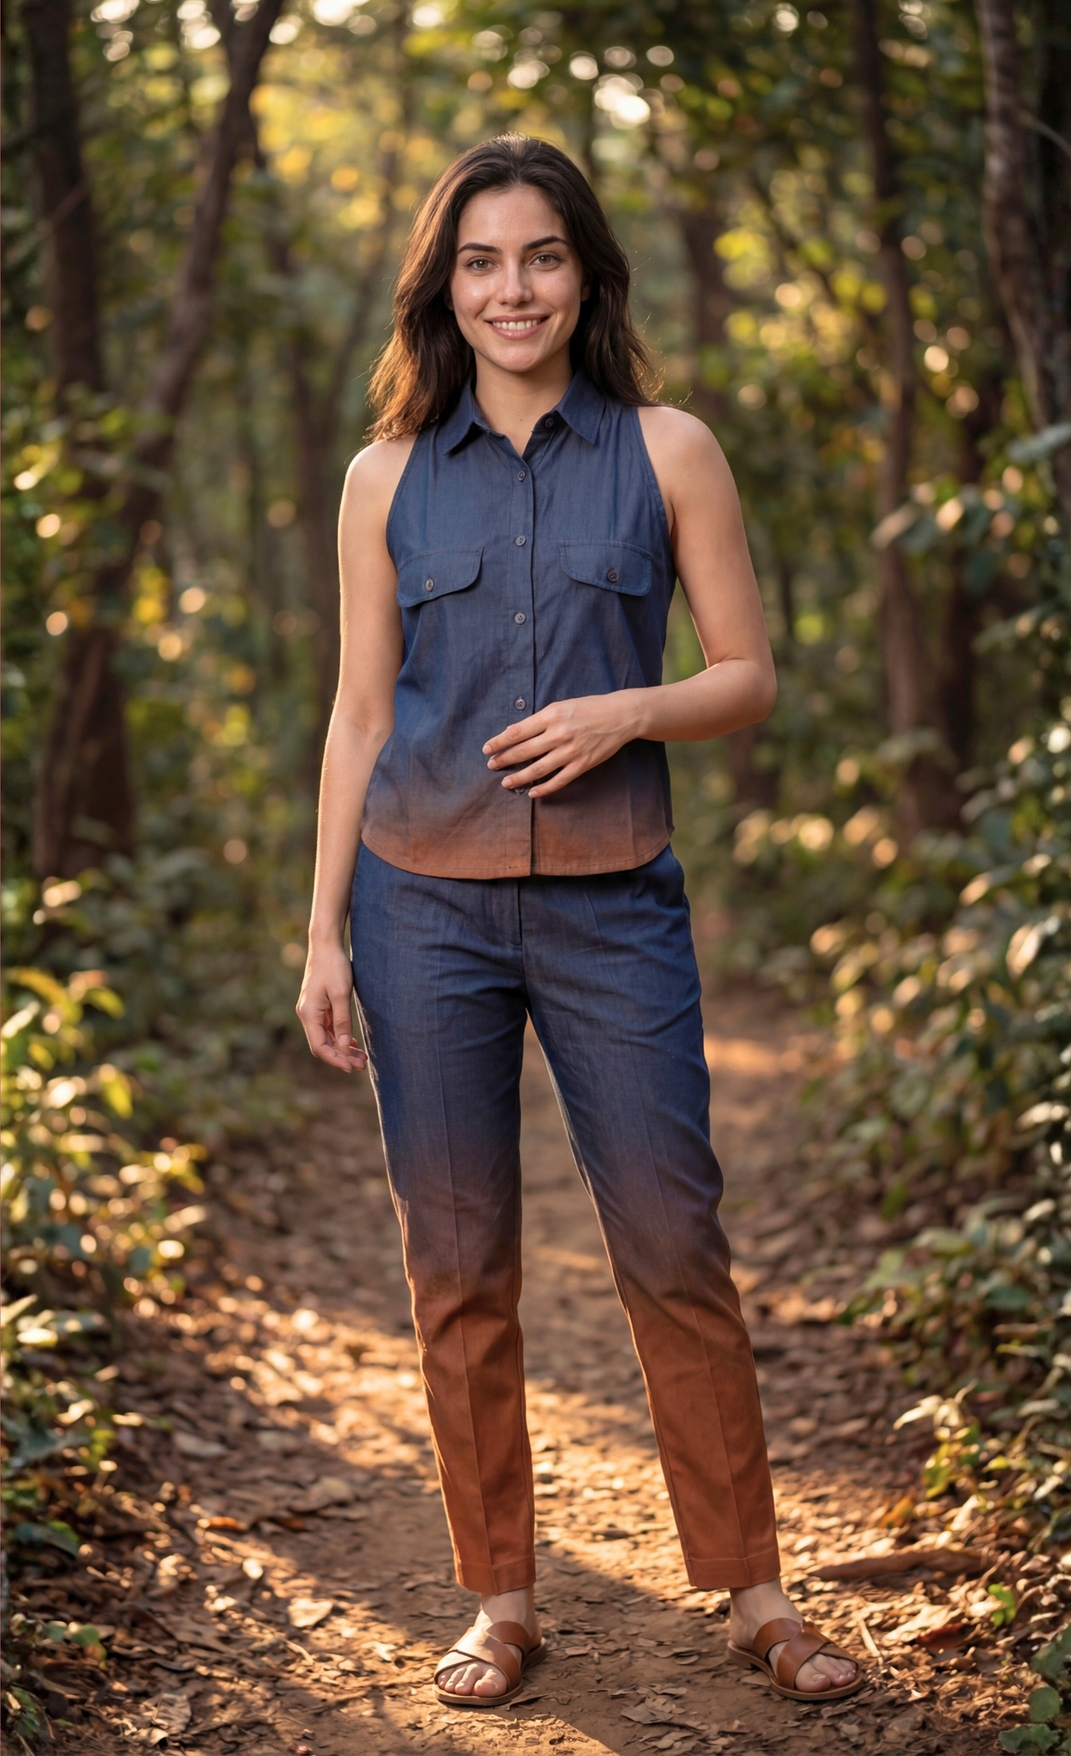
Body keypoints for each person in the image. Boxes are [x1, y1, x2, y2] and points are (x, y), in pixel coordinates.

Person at [297, 134, 862, 1710]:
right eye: (479, 262)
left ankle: (753, 1591)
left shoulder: (670, 450)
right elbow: (357, 715)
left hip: (615, 904)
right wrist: (324, 932)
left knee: (673, 1240)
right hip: (420, 909)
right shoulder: (383, 477)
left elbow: (745, 676)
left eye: (539, 256)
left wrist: (625, 710)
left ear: (585, 274)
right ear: (443, 290)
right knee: (456, 1260)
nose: (511, 289)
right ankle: (500, 1600)